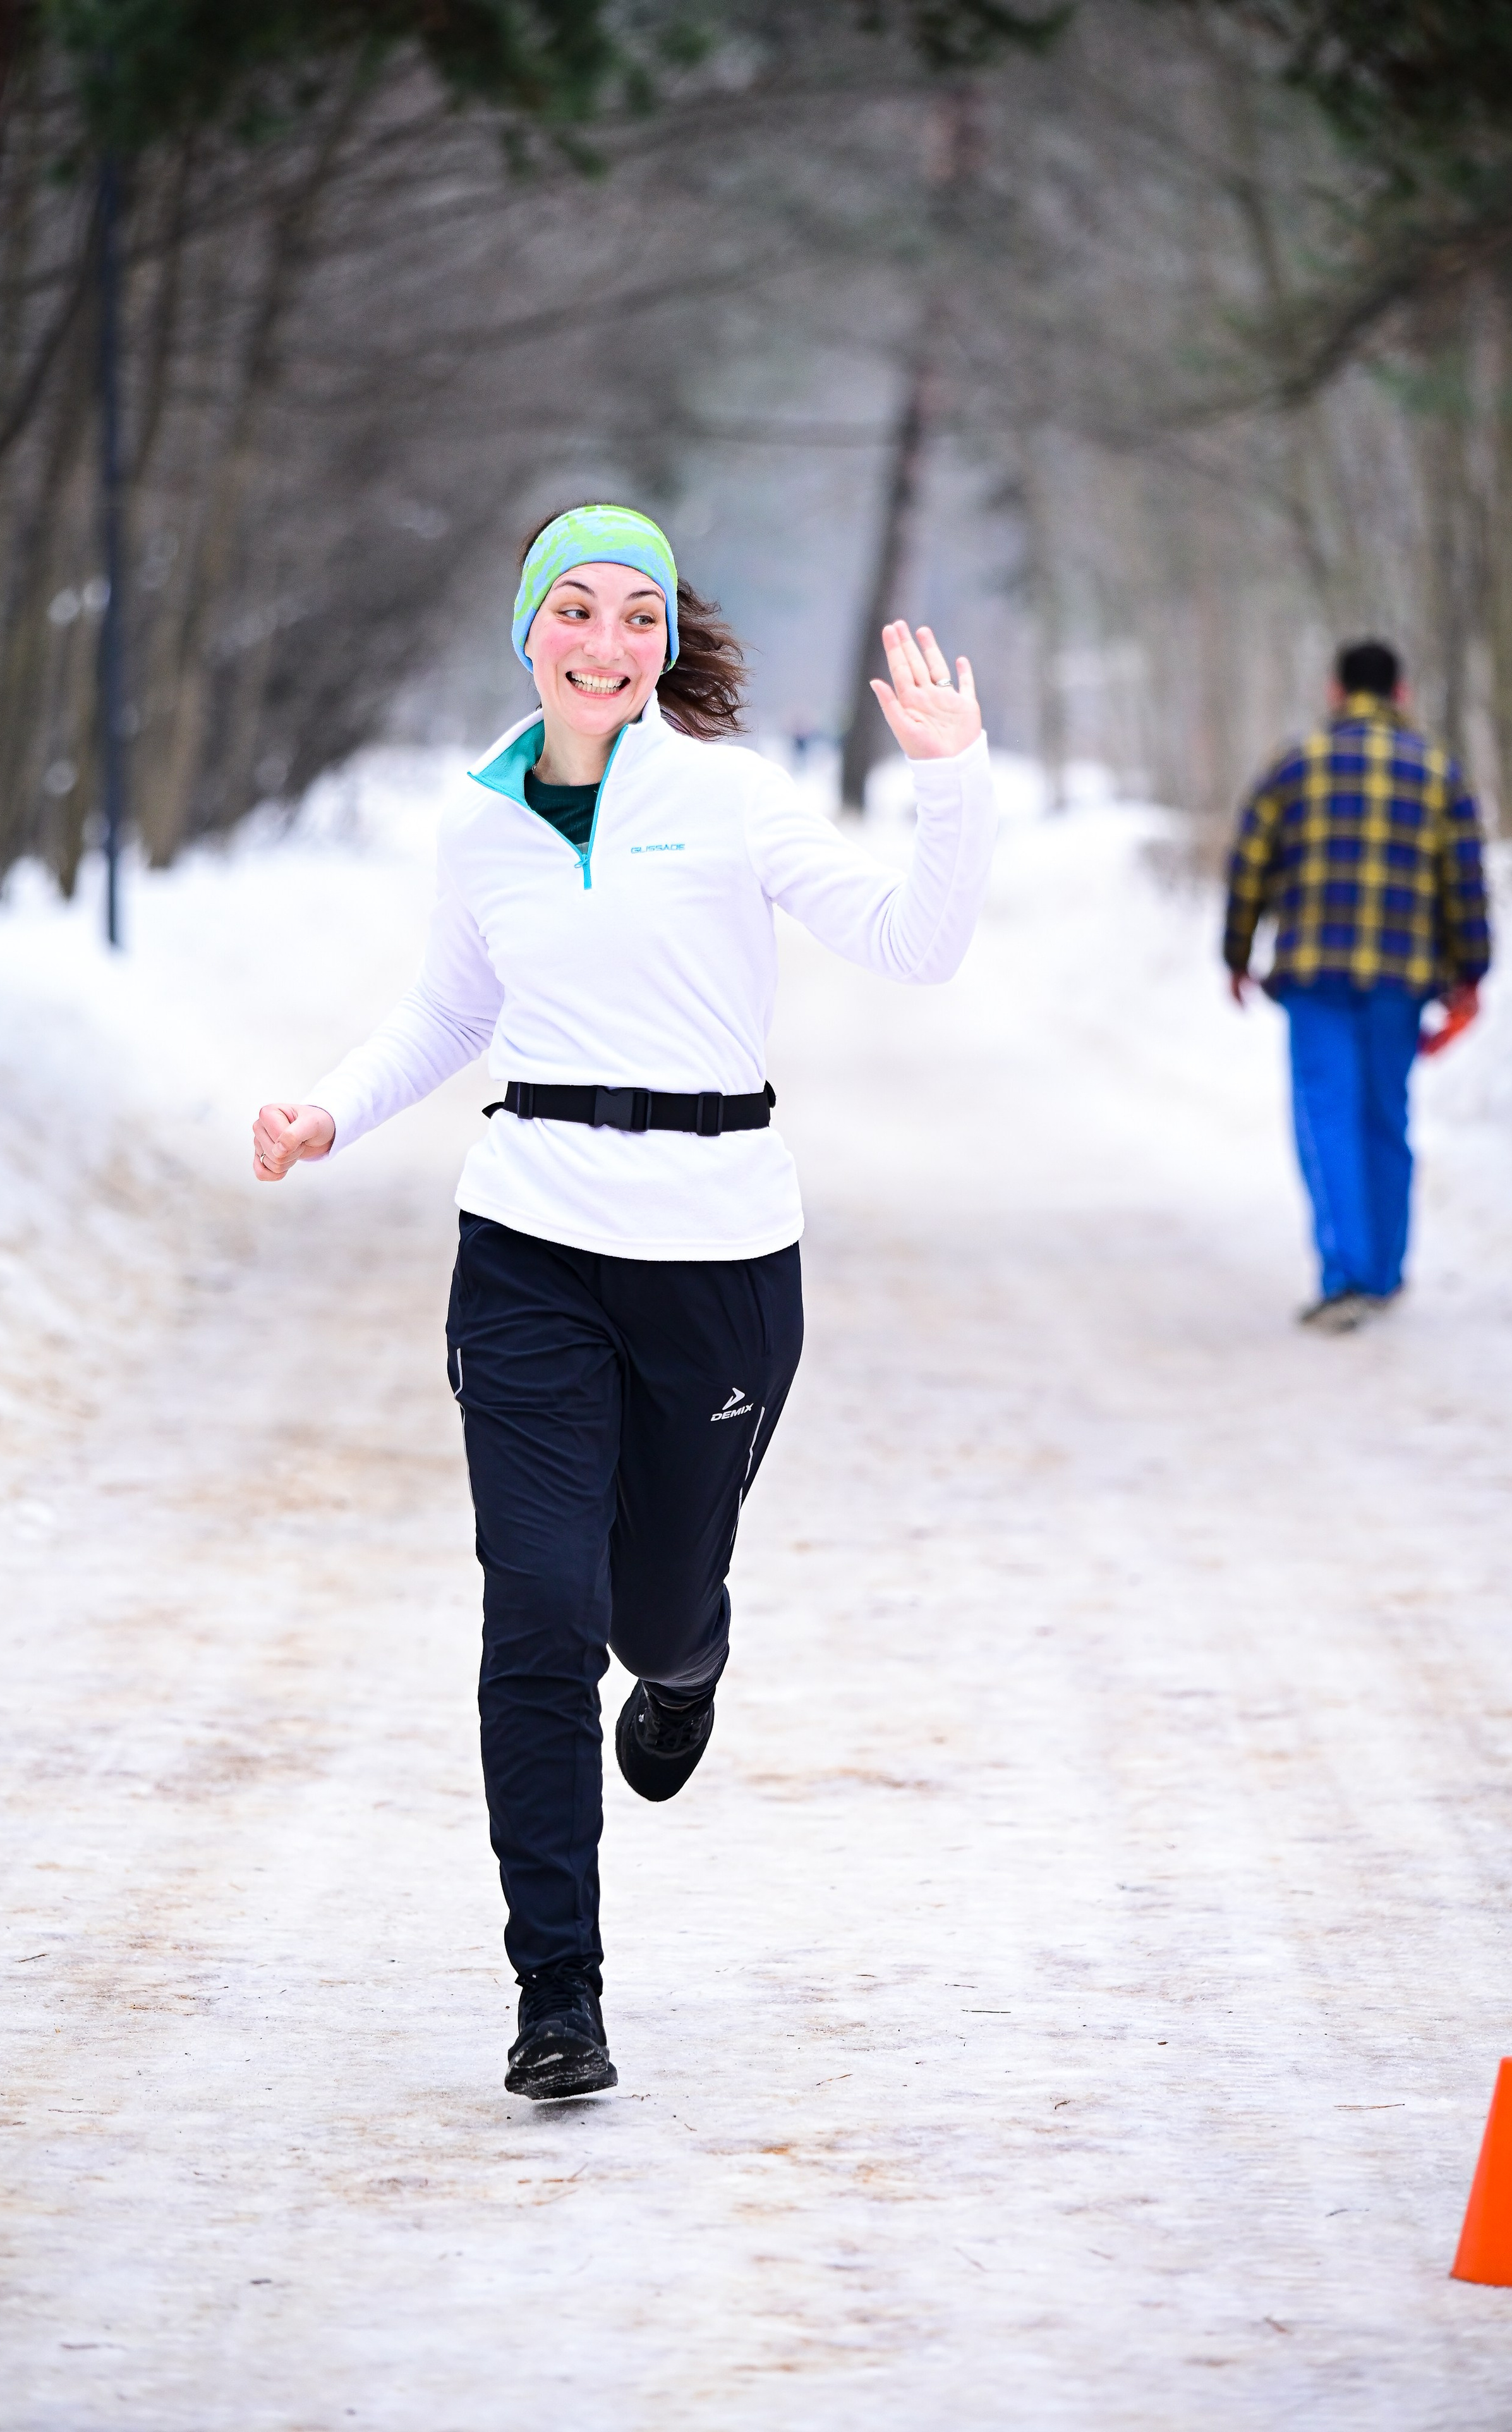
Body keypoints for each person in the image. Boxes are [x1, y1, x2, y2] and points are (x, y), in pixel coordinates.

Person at [250, 503, 997, 2098]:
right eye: (574, 612)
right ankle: (557, 1992)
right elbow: (450, 1008)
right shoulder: (475, 821)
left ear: (666, 642)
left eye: (636, 617)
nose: (604, 644)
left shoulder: (725, 797)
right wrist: (328, 1109)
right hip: (526, 1235)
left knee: (648, 1609)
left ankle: (685, 1660)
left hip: (721, 1251)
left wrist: (951, 779)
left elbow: (914, 945)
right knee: (535, 1608)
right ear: (527, 631)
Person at [1223, 638, 1492, 1334]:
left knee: (1327, 1118)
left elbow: (1249, 861)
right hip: (1400, 981)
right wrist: (1471, 973)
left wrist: (1235, 950)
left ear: (1334, 691)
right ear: (1400, 694)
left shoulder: (1295, 765)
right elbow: (1465, 881)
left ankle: (1344, 1274)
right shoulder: (1438, 773)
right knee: (1385, 1117)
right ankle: (1384, 1272)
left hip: (1314, 976)